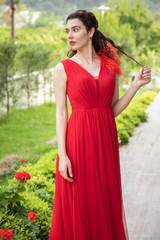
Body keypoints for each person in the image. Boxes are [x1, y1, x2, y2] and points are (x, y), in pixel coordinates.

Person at [48, 9, 151, 240]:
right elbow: (61, 113)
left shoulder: (110, 65)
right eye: (67, 31)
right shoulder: (62, 68)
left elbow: (111, 110)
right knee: (82, 201)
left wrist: (135, 86)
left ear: (90, 31)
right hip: (77, 143)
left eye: (76, 30)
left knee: (104, 200)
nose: (70, 36)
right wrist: (62, 155)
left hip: (105, 142)